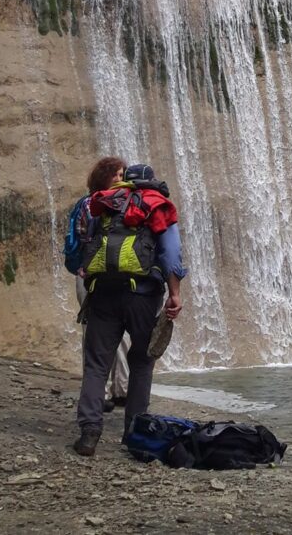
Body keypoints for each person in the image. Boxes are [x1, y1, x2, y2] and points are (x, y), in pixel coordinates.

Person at [72, 161, 186, 457]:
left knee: (97, 364)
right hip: (142, 295)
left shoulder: (105, 203)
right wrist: (175, 293)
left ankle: (90, 431)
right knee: (141, 361)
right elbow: (171, 253)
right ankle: (134, 433)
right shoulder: (156, 205)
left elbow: (89, 243)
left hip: (102, 293)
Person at [65, 156, 130, 413]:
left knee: (110, 330)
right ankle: (107, 391)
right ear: (102, 177)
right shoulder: (92, 204)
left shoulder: (93, 204)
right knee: (98, 330)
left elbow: (80, 239)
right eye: (114, 174)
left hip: (98, 274)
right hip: (93, 276)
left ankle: (118, 388)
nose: (119, 179)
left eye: (122, 174)